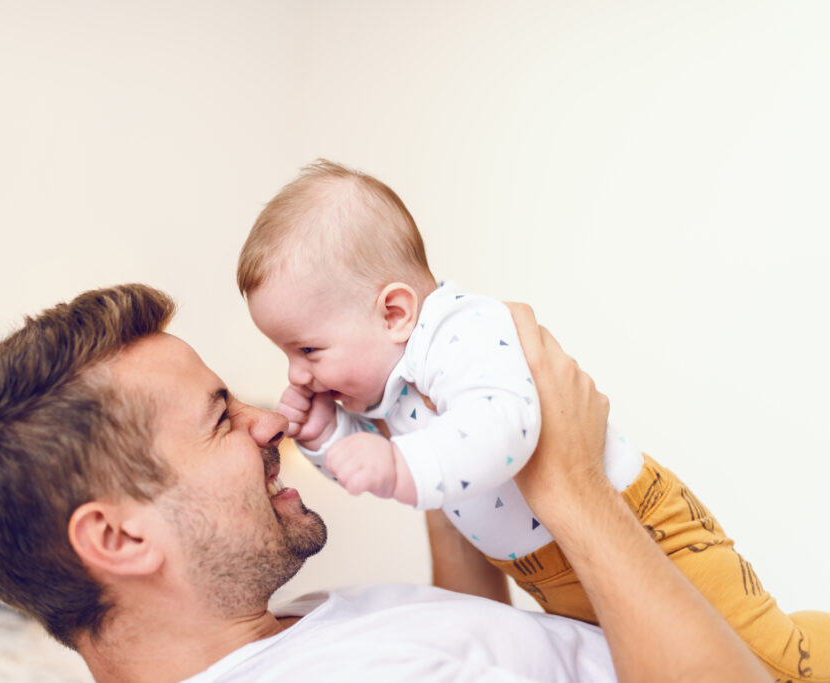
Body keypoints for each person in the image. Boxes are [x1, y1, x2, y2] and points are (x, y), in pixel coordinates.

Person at [0, 283, 768, 682]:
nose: (270, 420)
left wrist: (437, 465)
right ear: (119, 537)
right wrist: (572, 486)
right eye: (220, 417)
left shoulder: (289, 631)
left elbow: (486, 644)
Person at [237, 160, 828, 681]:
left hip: (645, 531)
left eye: (307, 349)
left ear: (394, 312)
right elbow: (367, 464)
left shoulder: (458, 333)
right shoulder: (393, 384)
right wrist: (328, 436)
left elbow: (503, 430)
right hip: (554, 569)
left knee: (773, 663)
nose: (296, 373)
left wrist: (399, 463)